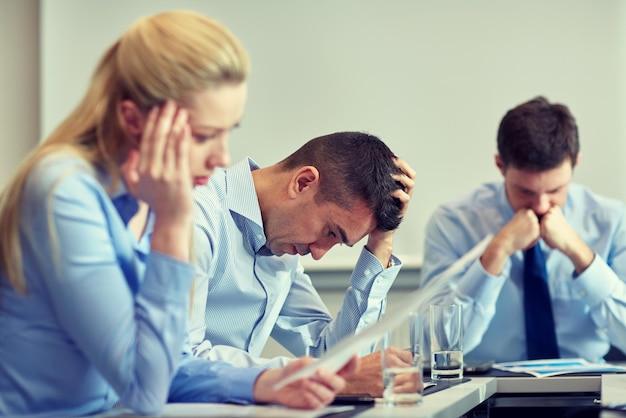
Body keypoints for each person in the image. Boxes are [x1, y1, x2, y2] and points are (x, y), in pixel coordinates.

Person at [0, 10, 359, 417]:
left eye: (228, 132)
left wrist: (261, 383)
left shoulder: (149, 197)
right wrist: (172, 223)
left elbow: (167, 364)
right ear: (135, 120)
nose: (222, 156)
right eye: (204, 135)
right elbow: (146, 390)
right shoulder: (63, 193)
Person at [190, 131, 416, 395]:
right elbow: (183, 361)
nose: (319, 254)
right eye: (331, 232)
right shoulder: (195, 215)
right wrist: (310, 377)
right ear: (303, 182)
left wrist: (382, 241)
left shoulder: (283, 248)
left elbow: (335, 359)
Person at [420, 96, 626, 363]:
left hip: (588, 391)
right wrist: (496, 253)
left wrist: (581, 255)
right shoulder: (452, 223)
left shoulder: (612, 220)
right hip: (486, 392)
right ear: (500, 165)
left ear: (576, 162)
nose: (541, 205)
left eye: (554, 190)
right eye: (525, 191)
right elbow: (436, 347)